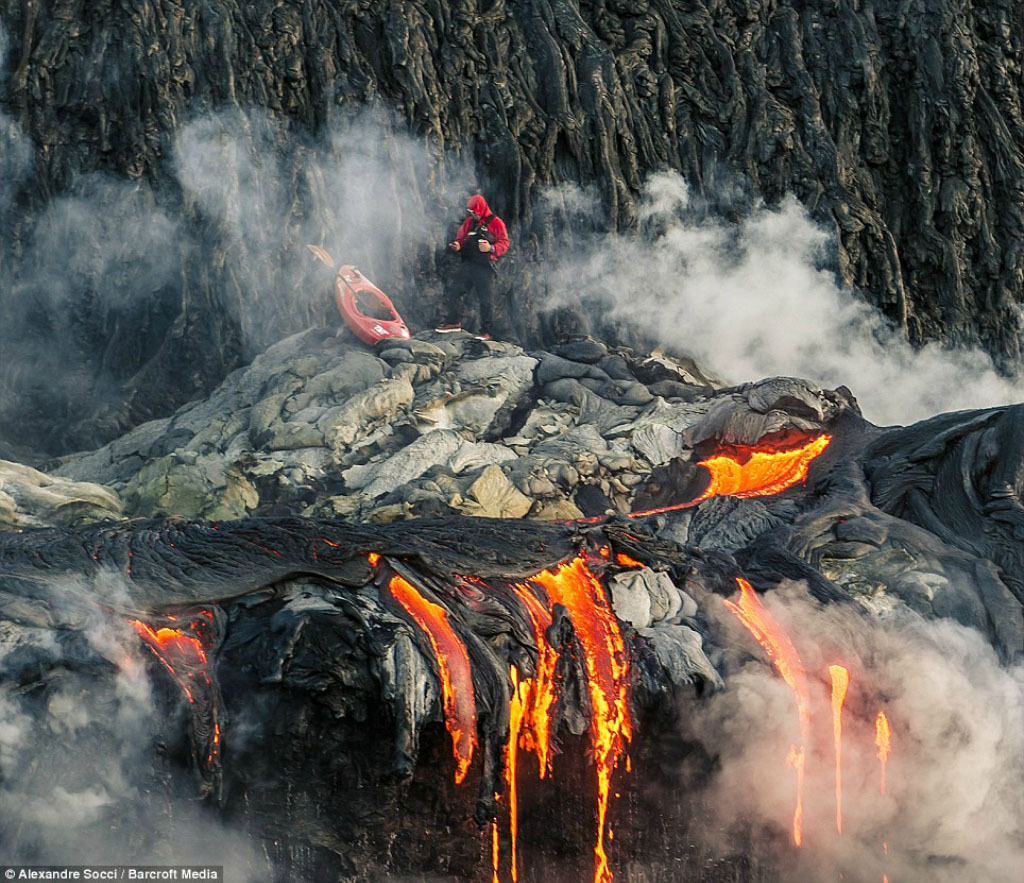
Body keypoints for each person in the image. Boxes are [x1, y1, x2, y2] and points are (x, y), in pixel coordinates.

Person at [440, 194, 510, 335]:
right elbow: (461, 238)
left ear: (482, 209)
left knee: (486, 300)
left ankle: (486, 331)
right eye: (471, 212)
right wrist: (457, 245)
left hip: (485, 267)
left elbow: (505, 243)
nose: (473, 215)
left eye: (475, 212)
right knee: (454, 292)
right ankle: (453, 322)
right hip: (468, 265)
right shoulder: (469, 223)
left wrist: (491, 248)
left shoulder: (496, 223)